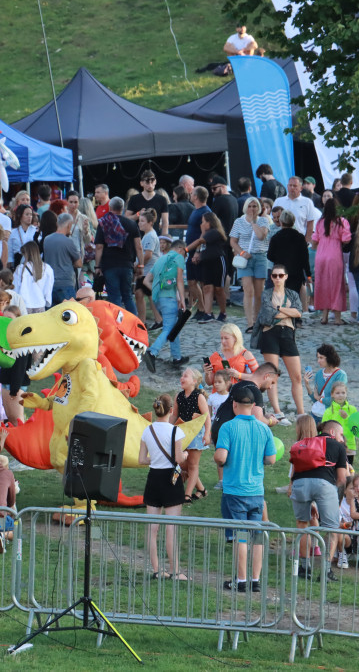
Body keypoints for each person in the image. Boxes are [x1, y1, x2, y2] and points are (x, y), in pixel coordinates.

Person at [215, 384, 276, 592]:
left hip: (235, 491)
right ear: (252, 406)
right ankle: (255, 580)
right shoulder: (263, 428)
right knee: (257, 537)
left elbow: (221, 457)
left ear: (234, 405)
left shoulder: (228, 427)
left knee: (241, 536)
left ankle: (240, 580)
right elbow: (271, 459)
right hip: (257, 491)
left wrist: (219, 457)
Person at [288, 416, 347, 581]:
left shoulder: (304, 443)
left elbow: (295, 469)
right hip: (324, 485)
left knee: (303, 524)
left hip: (299, 484)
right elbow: (342, 479)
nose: (342, 439)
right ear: (333, 432)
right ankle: (326, 571)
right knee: (331, 529)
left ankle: (304, 567)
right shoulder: (338, 446)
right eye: (341, 435)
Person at [138, 394, 188, 579]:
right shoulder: (176, 432)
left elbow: (142, 459)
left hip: (153, 478)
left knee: (152, 528)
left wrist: (156, 458)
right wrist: (185, 455)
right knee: (171, 527)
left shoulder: (147, 430)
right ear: (171, 411)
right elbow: (178, 458)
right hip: (170, 479)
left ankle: (157, 570)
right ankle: (175, 571)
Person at [254, 264, 304, 420]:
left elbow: (298, 312)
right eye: (274, 276)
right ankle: (277, 411)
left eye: (280, 275)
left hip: (288, 334)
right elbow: (268, 314)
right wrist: (288, 312)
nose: (277, 278)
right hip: (270, 333)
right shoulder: (267, 294)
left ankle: (301, 412)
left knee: (296, 376)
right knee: (272, 375)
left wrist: (279, 309)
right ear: (271, 277)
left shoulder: (292, 294)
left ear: (286, 277)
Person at [143, 239, 188, 371]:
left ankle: (177, 357)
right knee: (169, 328)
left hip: (158, 300)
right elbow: (179, 280)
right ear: (180, 249)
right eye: (184, 253)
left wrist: (157, 291)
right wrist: (183, 300)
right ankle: (152, 352)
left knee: (173, 327)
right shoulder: (178, 258)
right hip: (169, 299)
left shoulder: (161, 260)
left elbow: (146, 281)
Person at [230, 197, 271, 332]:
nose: (252, 209)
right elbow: (233, 241)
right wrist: (241, 253)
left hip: (260, 257)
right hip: (245, 259)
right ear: (245, 207)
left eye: (255, 206)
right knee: (248, 290)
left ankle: (257, 319)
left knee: (259, 292)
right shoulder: (239, 222)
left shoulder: (264, 221)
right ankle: (249, 323)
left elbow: (261, 236)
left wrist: (254, 223)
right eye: (250, 206)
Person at [95, 197, 142, 314]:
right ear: (123, 208)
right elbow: (138, 246)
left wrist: (97, 266)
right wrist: (141, 265)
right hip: (127, 265)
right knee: (127, 296)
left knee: (114, 297)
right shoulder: (131, 224)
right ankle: (134, 325)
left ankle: (117, 326)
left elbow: (99, 247)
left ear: (110, 208)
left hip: (109, 265)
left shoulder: (103, 223)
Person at [172, 367, 211, 503]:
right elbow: (174, 415)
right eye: (182, 375)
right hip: (181, 433)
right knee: (183, 464)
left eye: (186, 376)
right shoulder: (178, 396)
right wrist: (166, 429)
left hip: (195, 434)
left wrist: (207, 433)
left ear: (194, 381)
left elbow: (207, 417)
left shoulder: (199, 397)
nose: (182, 378)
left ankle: (187, 495)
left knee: (193, 465)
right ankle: (201, 489)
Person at [312, 200, 352, 324]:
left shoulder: (320, 222)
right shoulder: (342, 222)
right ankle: (337, 318)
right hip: (334, 255)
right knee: (336, 286)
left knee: (323, 284)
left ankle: (324, 316)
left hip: (321, 255)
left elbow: (314, 241)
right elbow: (346, 239)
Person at [186, 212, 229, 322]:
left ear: (209, 222)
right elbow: (202, 244)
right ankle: (208, 313)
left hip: (218, 261)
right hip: (206, 261)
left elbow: (201, 240)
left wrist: (185, 250)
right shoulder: (205, 233)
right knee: (207, 287)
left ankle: (223, 312)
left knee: (218, 288)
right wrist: (197, 254)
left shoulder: (215, 232)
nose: (202, 224)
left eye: (204, 221)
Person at [266, 210, 311, 296]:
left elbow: (270, 256)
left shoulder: (276, 237)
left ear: (281, 221)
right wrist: (308, 274)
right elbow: (305, 257)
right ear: (293, 221)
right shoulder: (300, 237)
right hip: (296, 273)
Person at [305, 344, 348, 422]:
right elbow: (315, 399)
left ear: (329, 357)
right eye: (318, 358)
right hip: (314, 414)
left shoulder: (341, 375)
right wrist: (307, 385)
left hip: (330, 416)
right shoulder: (319, 374)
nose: (318, 361)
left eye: (321, 358)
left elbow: (337, 399)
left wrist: (320, 399)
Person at [321, 382, 359, 465]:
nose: (340, 395)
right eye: (337, 393)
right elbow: (322, 430)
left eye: (343, 393)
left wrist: (347, 418)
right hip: (333, 446)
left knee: (348, 471)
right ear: (332, 394)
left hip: (349, 445)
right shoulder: (328, 411)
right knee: (334, 471)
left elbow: (357, 429)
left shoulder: (352, 410)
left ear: (346, 394)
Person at [135, 210, 162, 324]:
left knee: (149, 296)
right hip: (146, 270)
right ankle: (143, 321)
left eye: (142, 221)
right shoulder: (147, 235)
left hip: (148, 271)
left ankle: (158, 320)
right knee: (139, 294)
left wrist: (138, 265)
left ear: (150, 222)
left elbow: (148, 255)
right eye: (139, 221)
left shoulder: (150, 236)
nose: (139, 223)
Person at [13, 241, 54, 313]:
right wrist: (46, 300)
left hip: (24, 305)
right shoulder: (47, 268)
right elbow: (48, 287)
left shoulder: (20, 269)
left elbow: (15, 288)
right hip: (40, 304)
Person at [126, 170, 169, 235]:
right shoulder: (134, 199)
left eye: (152, 182)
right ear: (141, 183)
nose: (150, 185)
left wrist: (163, 239)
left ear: (155, 182)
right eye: (147, 182)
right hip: (138, 237)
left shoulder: (162, 200)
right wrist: (138, 214)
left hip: (155, 236)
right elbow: (126, 218)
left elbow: (165, 222)